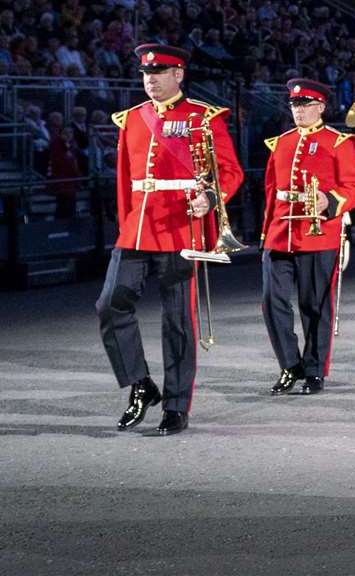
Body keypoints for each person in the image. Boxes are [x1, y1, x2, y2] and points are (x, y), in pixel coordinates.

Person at [96, 43, 244, 435]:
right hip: (138, 226)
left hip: (182, 226)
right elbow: (124, 181)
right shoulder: (131, 118)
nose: (151, 80)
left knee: (177, 321)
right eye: (146, 74)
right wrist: (125, 221)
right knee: (110, 304)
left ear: (178, 75)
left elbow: (229, 171)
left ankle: (177, 406)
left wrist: (211, 198)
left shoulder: (202, 117)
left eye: (159, 73)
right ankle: (141, 385)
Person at [260, 78, 355, 395]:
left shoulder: (338, 142)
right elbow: (270, 191)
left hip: (319, 232)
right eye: (295, 105)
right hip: (281, 231)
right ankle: (290, 365)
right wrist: (266, 232)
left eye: (305, 104)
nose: (299, 110)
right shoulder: (281, 142)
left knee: (314, 305)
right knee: (272, 302)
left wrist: (330, 201)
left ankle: (315, 369)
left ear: (320, 107)